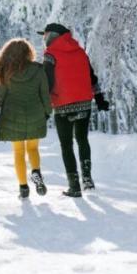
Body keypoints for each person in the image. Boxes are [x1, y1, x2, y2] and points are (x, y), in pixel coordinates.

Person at [39, 23, 110, 198]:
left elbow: (47, 83)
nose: (43, 39)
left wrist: (43, 108)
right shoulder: (81, 52)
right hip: (84, 103)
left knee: (66, 144)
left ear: (52, 36)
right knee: (82, 139)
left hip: (62, 105)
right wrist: (100, 99)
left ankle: (74, 185)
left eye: (45, 35)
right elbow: (92, 78)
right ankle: (87, 179)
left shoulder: (50, 56)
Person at [0, 38, 52, 199]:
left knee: (18, 152)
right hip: (35, 116)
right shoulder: (39, 70)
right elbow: (45, 95)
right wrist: (47, 112)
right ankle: (36, 171)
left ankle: (23, 188)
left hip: (13, 118)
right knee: (33, 149)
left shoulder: (6, 72)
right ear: (28, 53)